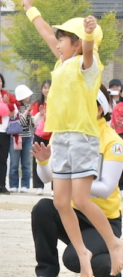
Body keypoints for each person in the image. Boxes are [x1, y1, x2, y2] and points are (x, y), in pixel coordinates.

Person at [23, 0, 123, 276]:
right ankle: (82, 252)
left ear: (76, 44)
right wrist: (31, 9)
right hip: (62, 137)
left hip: (81, 137)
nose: (57, 44)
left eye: (63, 40)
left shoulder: (85, 66)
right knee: (59, 201)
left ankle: (114, 243)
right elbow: (46, 33)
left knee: (80, 200)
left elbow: (88, 51)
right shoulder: (61, 63)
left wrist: (88, 34)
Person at [31, 85, 123, 277]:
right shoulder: (63, 134)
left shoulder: (113, 142)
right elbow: (47, 178)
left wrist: (70, 182)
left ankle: (113, 263)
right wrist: (43, 162)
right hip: (71, 212)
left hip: (104, 219)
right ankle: (46, 273)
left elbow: (106, 188)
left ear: (99, 110)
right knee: (42, 209)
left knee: (74, 259)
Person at [9, 84, 34, 193]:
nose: (29, 97)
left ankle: (25, 185)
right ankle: (13, 185)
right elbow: (21, 122)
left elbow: (31, 124)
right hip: (15, 137)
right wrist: (27, 111)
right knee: (14, 163)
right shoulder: (14, 107)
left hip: (27, 137)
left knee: (26, 163)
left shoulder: (28, 107)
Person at [30, 80, 51, 195]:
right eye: (45, 87)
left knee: (54, 160)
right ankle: (38, 186)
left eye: (49, 87)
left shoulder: (57, 103)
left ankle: (55, 187)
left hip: (52, 135)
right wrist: (41, 115)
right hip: (39, 135)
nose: (47, 90)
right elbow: (34, 120)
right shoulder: (38, 103)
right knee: (37, 159)